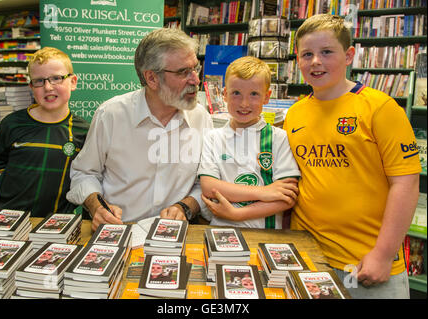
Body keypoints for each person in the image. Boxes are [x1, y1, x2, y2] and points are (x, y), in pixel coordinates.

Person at [283, 14, 421, 299]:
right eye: (307, 54)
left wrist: (383, 254)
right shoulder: (294, 113)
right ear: (298, 60)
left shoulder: (380, 108)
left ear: (348, 56)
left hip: (366, 264)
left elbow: (406, 183)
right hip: (309, 256)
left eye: (326, 52)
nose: (315, 62)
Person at [66, 28, 213, 231]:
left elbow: (206, 182)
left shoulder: (201, 118)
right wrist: (96, 206)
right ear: (152, 78)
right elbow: (84, 173)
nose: (196, 80)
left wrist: (186, 207)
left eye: (195, 69)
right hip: (118, 229)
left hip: (174, 235)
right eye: (183, 72)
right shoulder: (112, 114)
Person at [199, 56, 300, 229]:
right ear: (224, 94)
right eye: (236, 93)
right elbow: (209, 187)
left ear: (267, 97)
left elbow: (287, 197)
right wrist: (264, 192)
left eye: (254, 94)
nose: (244, 103)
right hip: (220, 229)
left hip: (265, 235)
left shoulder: (278, 137)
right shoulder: (213, 137)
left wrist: (237, 214)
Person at [0, 47, 89, 218]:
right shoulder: (11, 124)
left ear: (73, 82)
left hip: (57, 222)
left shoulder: (83, 131)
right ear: (31, 86)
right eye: (39, 81)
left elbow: (86, 177)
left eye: (56, 78)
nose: (48, 87)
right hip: (8, 219)